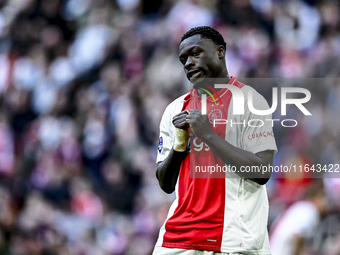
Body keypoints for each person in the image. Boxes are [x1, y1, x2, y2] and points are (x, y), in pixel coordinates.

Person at [153, 26, 277, 255]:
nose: (188, 63)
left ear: (220, 51)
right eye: (183, 59)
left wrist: (208, 135)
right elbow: (165, 183)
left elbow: (262, 171)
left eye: (195, 53)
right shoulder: (175, 109)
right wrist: (179, 148)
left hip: (232, 240)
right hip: (177, 239)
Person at [269, 181, 328, 255]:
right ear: (316, 197)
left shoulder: (301, 207)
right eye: (323, 199)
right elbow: (297, 236)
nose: (326, 204)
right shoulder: (310, 210)